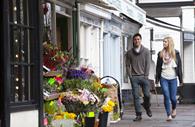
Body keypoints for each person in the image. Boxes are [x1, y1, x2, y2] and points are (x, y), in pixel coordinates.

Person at [155, 36, 183, 121]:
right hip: (164, 78)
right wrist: (157, 79)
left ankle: (174, 109)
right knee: (166, 96)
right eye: (163, 42)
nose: (164, 43)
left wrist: (181, 79)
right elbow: (158, 67)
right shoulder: (160, 54)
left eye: (165, 42)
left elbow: (179, 67)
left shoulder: (176, 53)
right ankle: (168, 115)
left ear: (169, 43)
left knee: (173, 98)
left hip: (173, 79)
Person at [126, 33, 152, 121]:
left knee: (147, 95)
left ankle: (147, 106)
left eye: (138, 39)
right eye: (135, 39)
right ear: (133, 41)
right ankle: (138, 115)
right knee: (136, 96)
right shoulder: (129, 53)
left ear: (141, 40)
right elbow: (127, 65)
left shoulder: (146, 51)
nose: (137, 41)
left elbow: (148, 64)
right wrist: (130, 76)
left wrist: (146, 75)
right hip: (134, 77)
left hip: (144, 77)